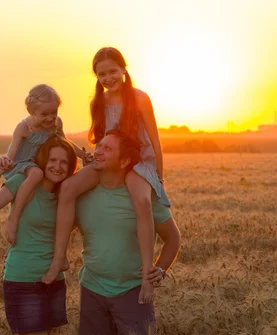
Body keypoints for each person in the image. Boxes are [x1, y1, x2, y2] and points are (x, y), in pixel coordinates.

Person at [42, 47, 179, 306]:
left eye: (113, 71)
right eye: (101, 74)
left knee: (142, 201)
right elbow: (100, 136)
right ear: (96, 76)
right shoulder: (98, 102)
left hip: (139, 162)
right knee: (69, 187)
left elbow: (154, 139)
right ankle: (59, 256)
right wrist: (93, 157)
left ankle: (147, 274)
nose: (108, 78)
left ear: (124, 70)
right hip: (109, 158)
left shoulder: (139, 98)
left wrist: (159, 176)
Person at [74, 131, 181, 335]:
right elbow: (53, 227)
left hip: (133, 292)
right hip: (92, 290)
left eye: (107, 149)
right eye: (99, 146)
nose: (98, 151)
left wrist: (158, 270)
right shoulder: (83, 194)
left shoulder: (144, 196)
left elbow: (173, 238)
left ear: (124, 161)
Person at [0, 135, 78, 335]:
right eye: (52, 160)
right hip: (23, 279)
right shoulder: (23, 183)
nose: (57, 167)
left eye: (64, 162)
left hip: (55, 280)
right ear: (42, 160)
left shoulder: (67, 195)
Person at [0, 84, 91, 246]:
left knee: (63, 183)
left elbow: (66, 143)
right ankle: (14, 217)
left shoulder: (56, 123)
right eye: (44, 114)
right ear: (31, 112)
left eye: (54, 112)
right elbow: (11, 154)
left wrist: (83, 155)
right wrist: (4, 164)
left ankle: (58, 242)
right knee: (36, 174)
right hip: (22, 164)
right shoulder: (23, 127)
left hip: (40, 164)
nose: (50, 118)